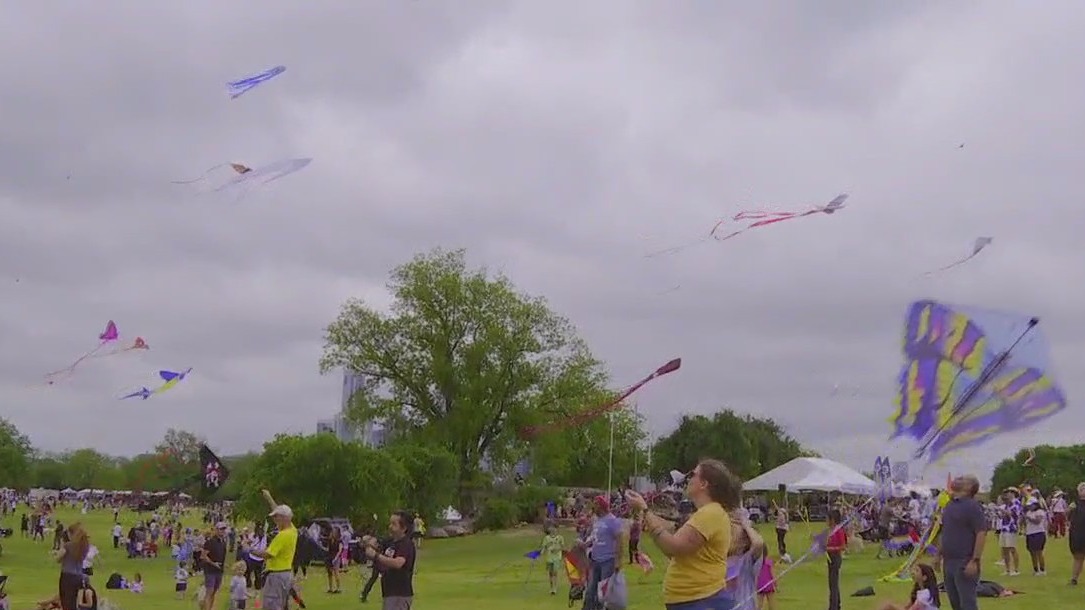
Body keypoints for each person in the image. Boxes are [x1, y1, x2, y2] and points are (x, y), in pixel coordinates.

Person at [625, 458, 741, 610]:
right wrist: (647, 515)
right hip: (696, 600)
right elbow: (681, 551)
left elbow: (674, 547)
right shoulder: (708, 513)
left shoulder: (710, 513)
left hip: (702, 601)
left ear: (704, 484)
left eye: (693, 474)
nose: (688, 478)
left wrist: (645, 510)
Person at [938, 474, 986, 610]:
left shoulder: (973, 506)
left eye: (962, 479)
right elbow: (945, 532)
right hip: (948, 562)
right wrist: (938, 555)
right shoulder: (949, 505)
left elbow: (981, 533)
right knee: (955, 603)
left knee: (967, 603)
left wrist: (974, 560)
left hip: (964, 561)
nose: (957, 479)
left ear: (970, 487)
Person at [252, 490, 298, 610]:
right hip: (286, 574)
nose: (275, 520)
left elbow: (268, 554)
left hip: (276, 576)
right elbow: (279, 510)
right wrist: (269, 498)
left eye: (276, 517)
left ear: (284, 518)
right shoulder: (292, 531)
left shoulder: (282, 536)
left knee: (272, 606)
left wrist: (250, 550)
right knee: (282, 605)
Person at [365, 511, 417, 610]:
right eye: (390, 523)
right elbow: (373, 543)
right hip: (389, 593)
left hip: (399, 594)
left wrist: (376, 556)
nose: (390, 526)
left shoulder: (406, 544)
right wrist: (369, 543)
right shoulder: (389, 542)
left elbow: (398, 563)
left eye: (394, 524)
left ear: (404, 528)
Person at [580, 495, 625, 610]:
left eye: (595, 505)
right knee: (590, 590)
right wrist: (585, 543)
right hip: (595, 560)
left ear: (601, 506)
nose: (593, 508)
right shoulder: (597, 521)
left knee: (603, 592)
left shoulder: (612, 521)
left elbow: (620, 539)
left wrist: (618, 561)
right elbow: (594, 537)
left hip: (608, 561)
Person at [55, 523, 90, 610]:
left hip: (67, 576)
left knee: (66, 602)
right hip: (78, 576)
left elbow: (58, 559)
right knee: (74, 602)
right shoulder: (84, 547)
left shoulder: (68, 546)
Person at [199, 522, 228, 610]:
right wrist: (213, 563)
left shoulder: (223, 542)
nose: (222, 531)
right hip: (210, 570)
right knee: (209, 591)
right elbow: (203, 556)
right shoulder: (210, 541)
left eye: (224, 529)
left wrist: (224, 564)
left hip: (219, 570)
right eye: (220, 529)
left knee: (215, 592)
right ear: (216, 530)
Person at [825, 509, 847, 610]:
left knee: (833, 584)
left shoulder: (839, 531)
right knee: (832, 583)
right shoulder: (830, 531)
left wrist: (830, 548)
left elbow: (843, 547)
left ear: (832, 520)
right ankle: (836, 605)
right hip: (830, 558)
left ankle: (833, 607)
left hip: (835, 558)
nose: (826, 520)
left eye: (828, 518)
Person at [996, 493, 1020, 576]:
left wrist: (1004, 511)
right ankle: (1007, 569)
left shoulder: (1015, 506)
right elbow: (1003, 517)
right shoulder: (1005, 506)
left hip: (1011, 529)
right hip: (1004, 528)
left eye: (1006, 499)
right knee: (1005, 549)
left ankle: (1016, 570)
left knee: (1012, 549)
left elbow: (1012, 516)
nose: (1005, 501)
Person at [1023, 497, 1047, 575]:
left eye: (1031, 505)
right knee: (1032, 552)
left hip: (1038, 532)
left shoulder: (1040, 512)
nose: (1030, 507)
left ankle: (1042, 569)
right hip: (1030, 533)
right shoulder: (1028, 512)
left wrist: (1029, 518)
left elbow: (1037, 521)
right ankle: (1036, 569)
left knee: (1039, 551)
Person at [1068, 482, 1085, 585]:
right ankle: (1074, 579)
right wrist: (1069, 510)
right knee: (1078, 557)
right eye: (1082, 488)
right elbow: (1068, 516)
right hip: (1077, 534)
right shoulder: (1074, 504)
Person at [541, 523, 565, 595]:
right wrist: (541, 552)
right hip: (549, 558)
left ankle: (555, 588)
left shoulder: (560, 538)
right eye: (551, 528)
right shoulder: (546, 538)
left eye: (554, 528)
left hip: (557, 557)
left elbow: (562, 547)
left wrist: (557, 549)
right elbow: (544, 547)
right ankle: (551, 587)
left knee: (555, 572)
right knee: (550, 573)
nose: (553, 530)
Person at [324, 526, 342, 594]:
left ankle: (338, 588)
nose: (332, 533)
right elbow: (328, 549)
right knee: (329, 573)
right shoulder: (330, 540)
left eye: (334, 531)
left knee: (336, 573)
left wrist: (336, 558)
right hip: (329, 557)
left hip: (336, 558)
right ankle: (330, 588)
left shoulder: (339, 541)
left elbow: (340, 550)